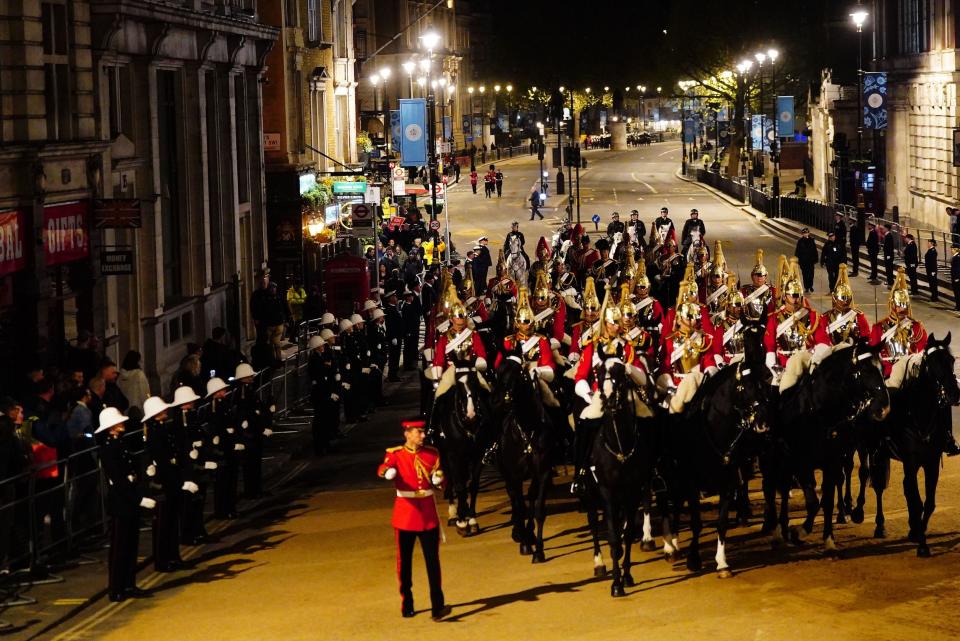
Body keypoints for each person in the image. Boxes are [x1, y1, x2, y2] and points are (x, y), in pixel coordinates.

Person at [377, 419, 449, 620]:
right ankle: (407, 603)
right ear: (407, 434)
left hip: (427, 513)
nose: (423, 436)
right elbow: (384, 467)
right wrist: (387, 472)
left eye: (423, 432)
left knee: (433, 563)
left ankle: (438, 606)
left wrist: (439, 479)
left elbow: (441, 479)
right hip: (406, 514)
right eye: (419, 432)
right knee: (405, 563)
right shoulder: (396, 454)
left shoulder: (431, 453)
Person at [96, 407, 155, 602]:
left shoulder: (119, 443)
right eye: (118, 422)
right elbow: (119, 479)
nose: (122, 424)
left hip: (128, 500)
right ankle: (116, 587)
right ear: (111, 428)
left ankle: (129, 584)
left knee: (131, 545)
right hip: (122, 502)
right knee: (120, 548)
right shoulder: (108, 448)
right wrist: (138, 499)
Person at [142, 396, 190, 572]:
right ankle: (163, 560)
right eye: (161, 410)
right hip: (163, 482)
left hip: (172, 480)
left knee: (172, 522)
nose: (165, 412)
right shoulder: (154, 432)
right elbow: (160, 460)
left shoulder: (162, 429)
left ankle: (173, 556)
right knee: (163, 524)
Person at [206, 377, 240, 520]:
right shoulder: (213, 407)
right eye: (222, 390)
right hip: (222, 448)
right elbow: (216, 427)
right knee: (222, 482)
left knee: (231, 480)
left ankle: (230, 508)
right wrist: (227, 432)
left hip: (229, 446)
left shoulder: (224, 404)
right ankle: (222, 510)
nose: (224, 391)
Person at [815, 265, 871, 345]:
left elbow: (866, 337)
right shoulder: (825, 318)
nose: (845, 301)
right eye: (842, 298)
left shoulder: (858, 316)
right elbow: (821, 341)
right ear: (835, 298)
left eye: (847, 298)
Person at [117, 350, 150, 415]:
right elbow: (144, 392)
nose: (141, 363)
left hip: (125, 409)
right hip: (137, 409)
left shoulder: (120, 375)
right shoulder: (139, 375)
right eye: (139, 361)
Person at [794, 227, 819, 293]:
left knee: (811, 274)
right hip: (803, 261)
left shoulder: (812, 240)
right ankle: (806, 287)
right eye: (804, 233)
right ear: (802, 234)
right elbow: (797, 251)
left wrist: (816, 258)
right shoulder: (800, 241)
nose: (805, 234)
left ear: (809, 233)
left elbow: (814, 250)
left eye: (806, 233)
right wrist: (799, 259)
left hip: (810, 261)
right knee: (805, 274)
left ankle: (810, 286)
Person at [952, 243, 960, 311]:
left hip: (956, 278)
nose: (951, 250)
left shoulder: (957, 257)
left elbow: (957, 268)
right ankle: (957, 305)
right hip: (954, 277)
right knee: (956, 292)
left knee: (957, 292)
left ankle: (958, 306)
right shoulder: (955, 256)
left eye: (952, 249)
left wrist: (957, 278)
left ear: (956, 249)